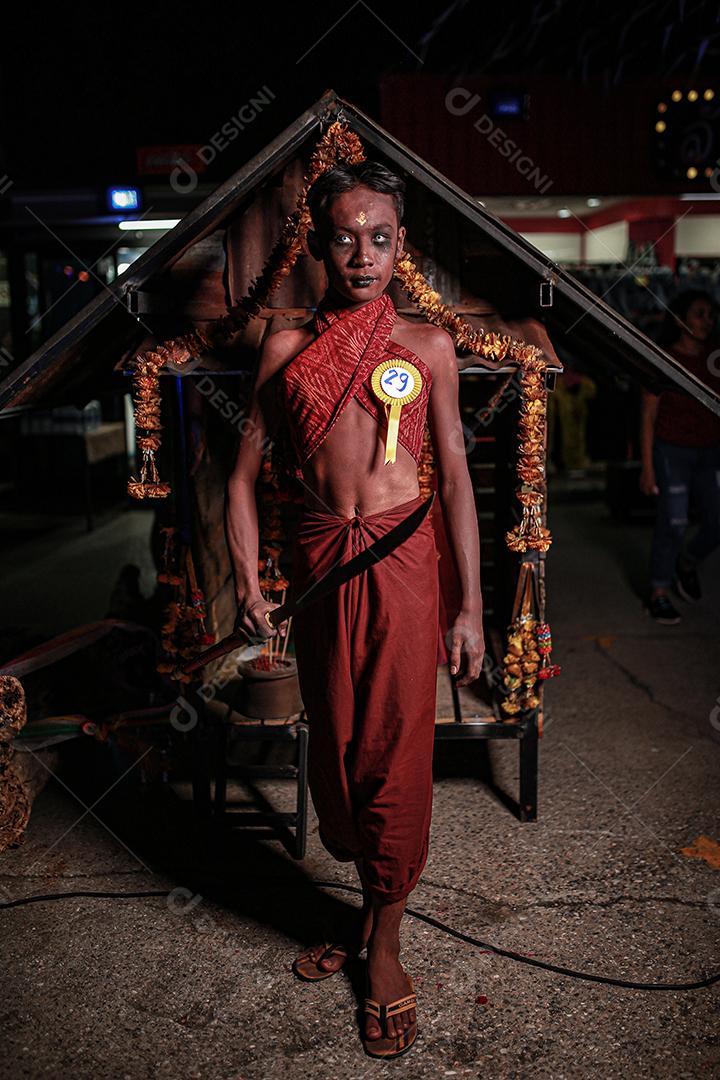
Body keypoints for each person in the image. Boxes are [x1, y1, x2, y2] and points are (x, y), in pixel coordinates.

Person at [225, 160, 483, 1057]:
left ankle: (388, 949)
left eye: (380, 237)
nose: (363, 254)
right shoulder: (285, 347)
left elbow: (453, 478)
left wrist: (472, 608)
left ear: (400, 245)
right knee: (334, 751)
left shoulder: (430, 347)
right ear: (320, 247)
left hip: (405, 564)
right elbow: (241, 479)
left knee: (396, 748)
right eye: (345, 237)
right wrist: (251, 581)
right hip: (322, 567)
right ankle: (364, 912)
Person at [640, 289, 720, 623]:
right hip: (671, 451)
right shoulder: (664, 360)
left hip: (711, 453)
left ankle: (686, 563)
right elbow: (647, 416)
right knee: (673, 522)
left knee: (717, 522)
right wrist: (647, 468)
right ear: (681, 319)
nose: (707, 321)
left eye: (710, 315)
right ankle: (659, 590)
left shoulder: (714, 358)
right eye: (699, 313)